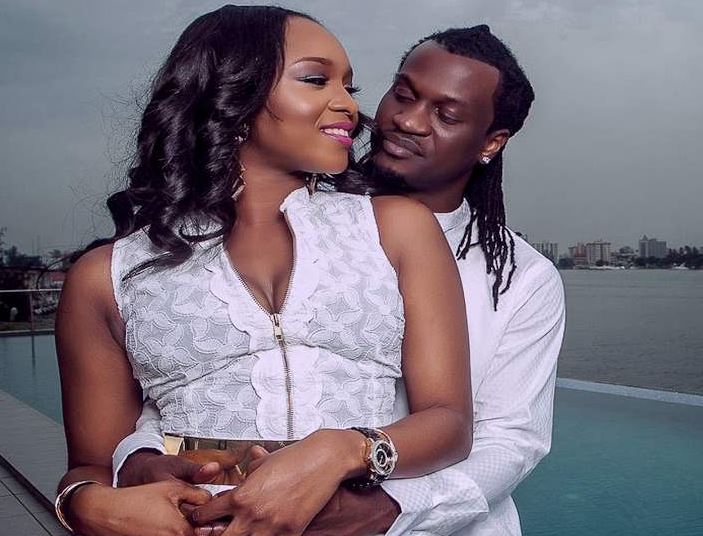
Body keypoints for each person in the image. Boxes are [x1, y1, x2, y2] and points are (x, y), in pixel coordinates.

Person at [116, 24, 565, 536]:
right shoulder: (275, 218)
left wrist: (386, 509)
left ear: (491, 142)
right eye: (403, 95)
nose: (408, 121)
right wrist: (137, 459)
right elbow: (187, 375)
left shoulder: (523, 279)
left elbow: (510, 440)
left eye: (445, 115)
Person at [54, 6, 474, 536]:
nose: (348, 105)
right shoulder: (107, 276)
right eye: (316, 80)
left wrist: (345, 450)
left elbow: (449, 422)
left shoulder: (397, 229)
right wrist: (86, 504)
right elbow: (90, 468)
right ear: (233, 92)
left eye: (349, 87)